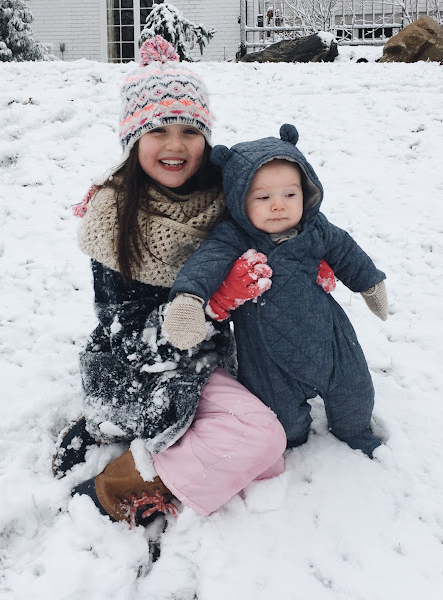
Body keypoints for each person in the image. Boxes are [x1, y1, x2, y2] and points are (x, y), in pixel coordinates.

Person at [53, 38, 328, 528]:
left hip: (210, 358)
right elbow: (127, 339)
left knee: (269, 455)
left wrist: (308, 259)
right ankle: (112, 486)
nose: (175, 145)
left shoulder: (226, 195)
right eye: (157, 130)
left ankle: (159, 443)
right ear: (132, 138)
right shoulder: (114, 217)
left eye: (189, 130)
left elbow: (282, 211)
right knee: (262, 441)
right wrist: (213, 304)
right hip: (140, 369)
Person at [163, 123, 389, 458]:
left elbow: (346, 252)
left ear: (306, 192)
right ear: (239, 199)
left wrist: (370, 283)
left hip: (329, 336)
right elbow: (205, 265)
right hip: (265, 350)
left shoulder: (315, 228)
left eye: (290, 195)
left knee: (353, 389)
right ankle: (292, 437)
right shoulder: (233, 237)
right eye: (263, 197)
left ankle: (354, 429)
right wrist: (188, 300)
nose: (278, 205)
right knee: (281, 418)